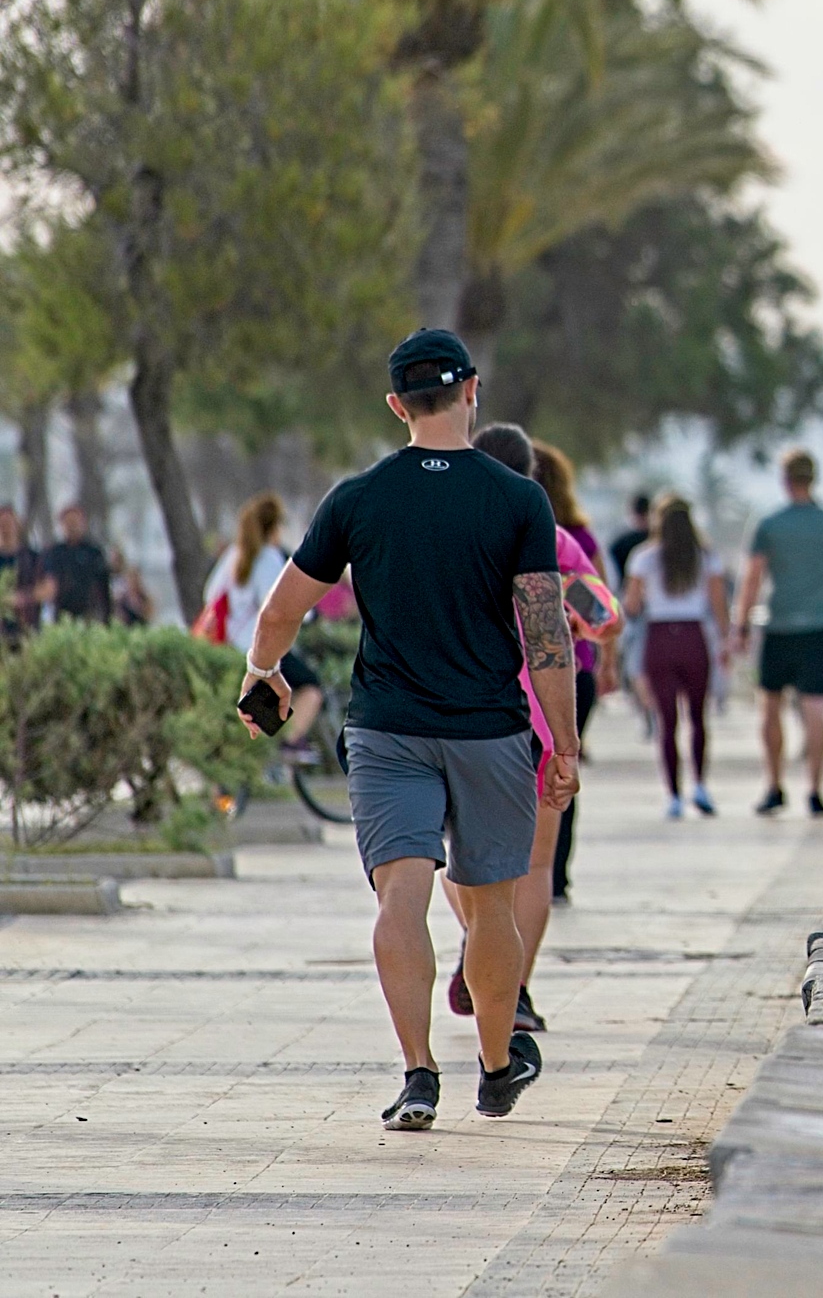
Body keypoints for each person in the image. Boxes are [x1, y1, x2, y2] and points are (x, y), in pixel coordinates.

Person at [239, 328, 576, 1130]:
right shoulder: (519, 500)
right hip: (491, 730)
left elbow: (283, 607)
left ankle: (418, 1073)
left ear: (396, 404)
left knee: (402, 894)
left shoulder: (359, 498)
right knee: (490, 904)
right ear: (472, 390)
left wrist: (263, 673)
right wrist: (563, 744)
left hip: (388, 729)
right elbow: (546, 631)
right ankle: (495, 1067)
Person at [443, 423, 617, 1036]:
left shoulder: (442, 531)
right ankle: (513, 990)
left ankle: (477, 946)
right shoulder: (555, 539)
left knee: (455, 859)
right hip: (537, 726)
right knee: (537, 866)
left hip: (458, 720)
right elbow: (605, 618)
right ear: (534, 477)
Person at [733, 449, 823, 817]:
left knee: (770, 705)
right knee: (815, 706)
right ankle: (815, 789)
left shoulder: (770, 524)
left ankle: (775, 785)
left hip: (779, 625)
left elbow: (753, 577)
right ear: (814, 478)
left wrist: (741, 624)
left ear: (784, 479)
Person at [531, 440, 618, 903]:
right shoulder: (575, 541)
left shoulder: (496, 529)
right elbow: (602, 612)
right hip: (573, 674)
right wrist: (607, 662)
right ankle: (552, 873)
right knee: (561, 773)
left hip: (509, 681)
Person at [626, 496, 729, 817]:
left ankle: (673, 794)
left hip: (659, 639)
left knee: (666, 721)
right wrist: (726, 640)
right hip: (693, 637)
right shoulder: (706, 558)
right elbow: (719, 607)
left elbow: (631, 605)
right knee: (698, 717)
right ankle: (700, 784)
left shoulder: (645, 558)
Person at [202, 492, 325, 757]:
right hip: (260, 649)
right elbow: (281, 606)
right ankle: (291, 746)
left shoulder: (233, 555)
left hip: (228, 648)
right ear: (274, 527)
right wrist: (311, 615)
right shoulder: (269, 557)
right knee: (310, 689)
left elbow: (210, 596)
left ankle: (243, 768)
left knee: (254, 712)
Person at [610, 493, 655, 734]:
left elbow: (612, 580)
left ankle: (644, 709)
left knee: (634, 664)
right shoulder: (658, 541)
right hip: (656, 611)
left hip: (628, 609)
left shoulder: (621, 543)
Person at [39, 504, 111, 623]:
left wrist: (107, 617)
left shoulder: (93, 552)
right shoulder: (55, 552)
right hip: (62, 613)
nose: (72, 526)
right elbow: (48, 580)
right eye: (68, 523)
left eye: (75, 522)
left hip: (89, 612)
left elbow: (103, 585)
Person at [0, 504, 42, 640]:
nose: (6, 528)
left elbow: (48, 587)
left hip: (27, 626)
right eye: (2, 524)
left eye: (9, 523)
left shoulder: (32, 557)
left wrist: (24, 598)